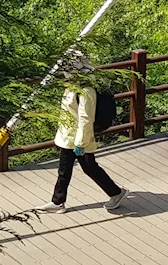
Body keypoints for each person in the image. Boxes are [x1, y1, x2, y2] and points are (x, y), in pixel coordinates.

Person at [36, 58, 128, 213]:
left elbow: (86, 119)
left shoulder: (86, 91)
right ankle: (58, 201)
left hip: (79, 139)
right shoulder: (73, 87)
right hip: (69, 137)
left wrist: (80, 143)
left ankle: (116, 192)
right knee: (65, 170)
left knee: (90, 168)